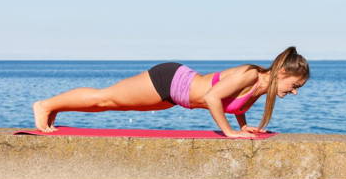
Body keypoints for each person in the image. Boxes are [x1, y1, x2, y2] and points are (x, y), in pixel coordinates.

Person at [33, 46, 310, 138]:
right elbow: (212, 97)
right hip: (171, 80)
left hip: (175, 99)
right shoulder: (251, 74)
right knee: (105, 98)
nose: (294, 92)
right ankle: (45, 105)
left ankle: (56, 108)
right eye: (295, 85)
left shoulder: (262, 86)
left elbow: (232, 103)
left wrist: (244, 125)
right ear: (282, 73)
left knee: (111, 104)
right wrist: (228, 132)